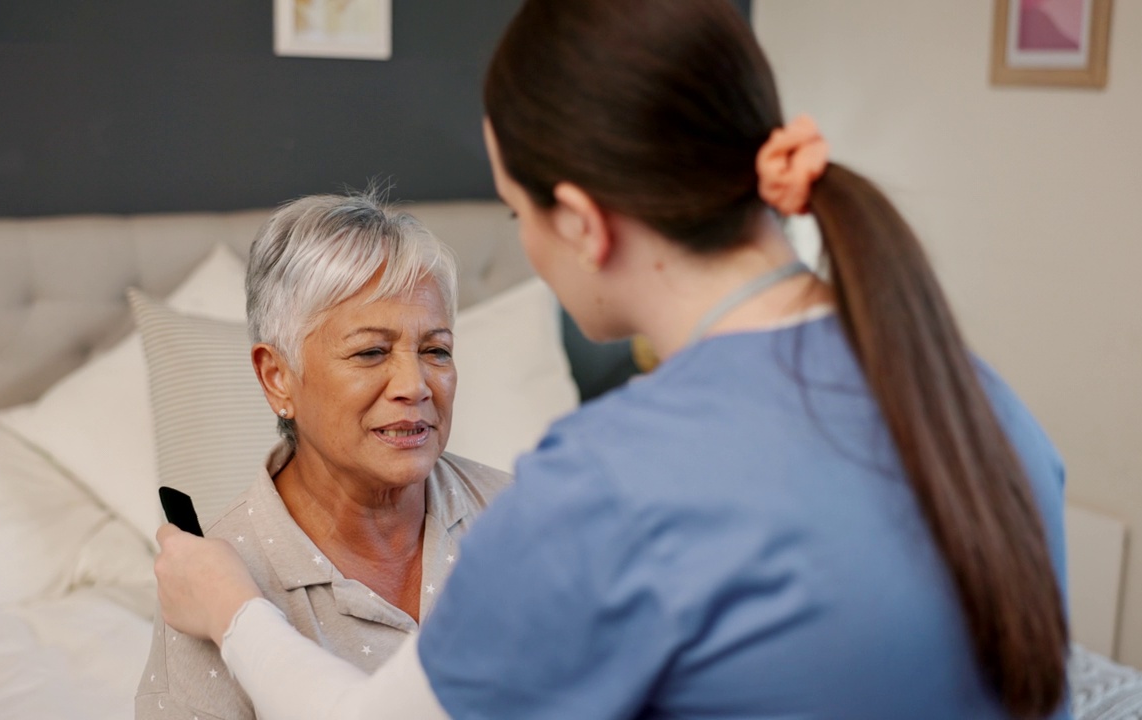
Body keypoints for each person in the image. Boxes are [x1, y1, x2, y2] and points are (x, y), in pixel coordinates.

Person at [152, 1, 1074, 718]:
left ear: (584, 224)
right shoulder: (975, 400)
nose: (413, 381)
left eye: (519, 213)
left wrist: (233, 613)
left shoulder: (602, 490)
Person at [134, 193, 511, 719]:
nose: (415, 385)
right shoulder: (212, 581)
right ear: (277, 377)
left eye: (435, 350)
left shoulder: (523, 516)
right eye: (370, 352)